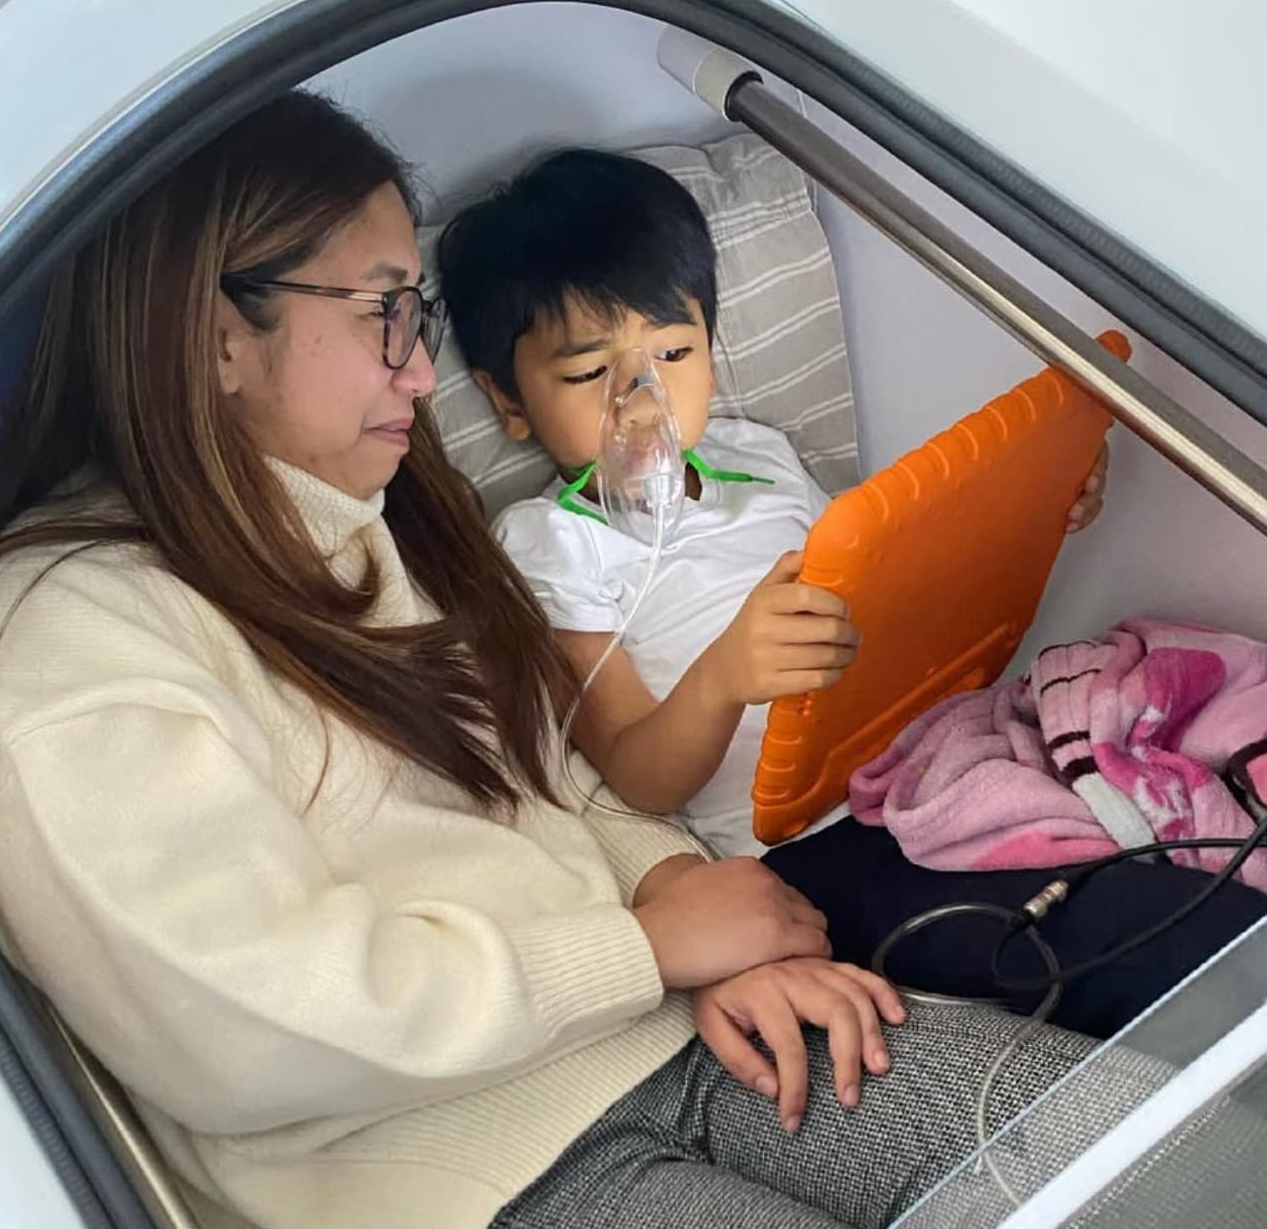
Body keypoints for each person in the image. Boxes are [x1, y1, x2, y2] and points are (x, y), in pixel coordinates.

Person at [0, 90, 1141, 1229]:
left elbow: (548, 773)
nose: (416, 367)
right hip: (460, 1170)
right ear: (215, 334)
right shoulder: (60, 633)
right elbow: (239, 1028)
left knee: (1130, 1143)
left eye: (419, 316)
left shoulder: (377, 527)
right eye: (384, 312)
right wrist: (640, 952)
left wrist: (681, 903)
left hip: (669, 1022)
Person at [437, 146, 1267, 1041]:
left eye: (672, 352)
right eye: (586, 373)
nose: (642, 403)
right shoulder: (550, 542)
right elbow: (637, 778)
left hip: (951, 750)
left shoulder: (759, 460)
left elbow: (897, 588)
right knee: (1155, 939)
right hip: (818, 844)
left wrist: (1034, 503)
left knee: (1190, 805)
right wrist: (722, 678)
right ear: (508, 402)